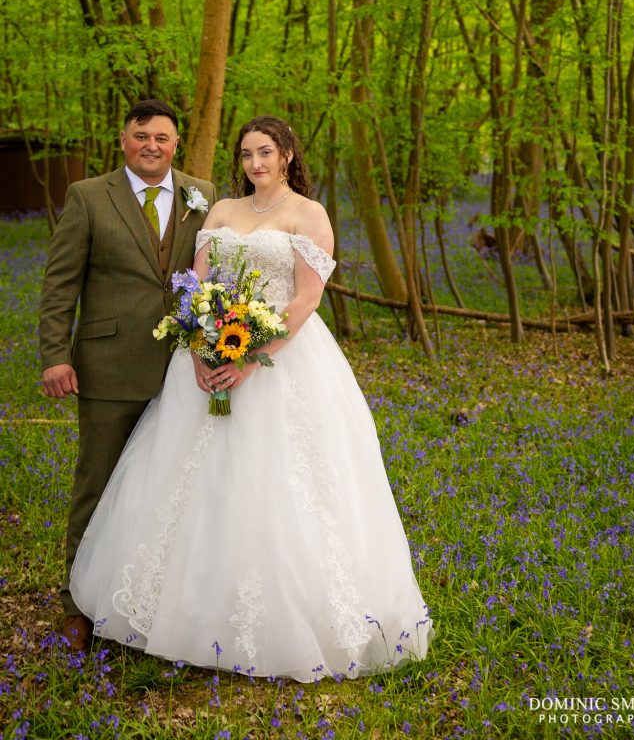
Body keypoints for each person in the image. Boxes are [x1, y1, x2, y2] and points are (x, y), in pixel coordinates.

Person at [69, 115, 433, 681]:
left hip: (281, 363)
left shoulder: (309, 215)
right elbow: (197, 288)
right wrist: (200, 348)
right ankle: (184, 611)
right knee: (198, 484)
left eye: (265, 152)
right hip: (209, 359)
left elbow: (307, 300)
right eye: (245, 155)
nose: (255, 164)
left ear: (287, 153)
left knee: (279, 486)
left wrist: (248, 357)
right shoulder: (221, 212)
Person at [39, 99, 216, 651]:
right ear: (123, 140)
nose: (152, 145)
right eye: (141, 136)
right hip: (110, 366)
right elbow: (60, 284)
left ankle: (155, 603)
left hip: (184, 371)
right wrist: (54, 355)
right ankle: (79, 608)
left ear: (176, 143)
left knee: (174, 490)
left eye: (162, 137)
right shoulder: (89, 197)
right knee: (99, 485)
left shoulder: (203, 195)